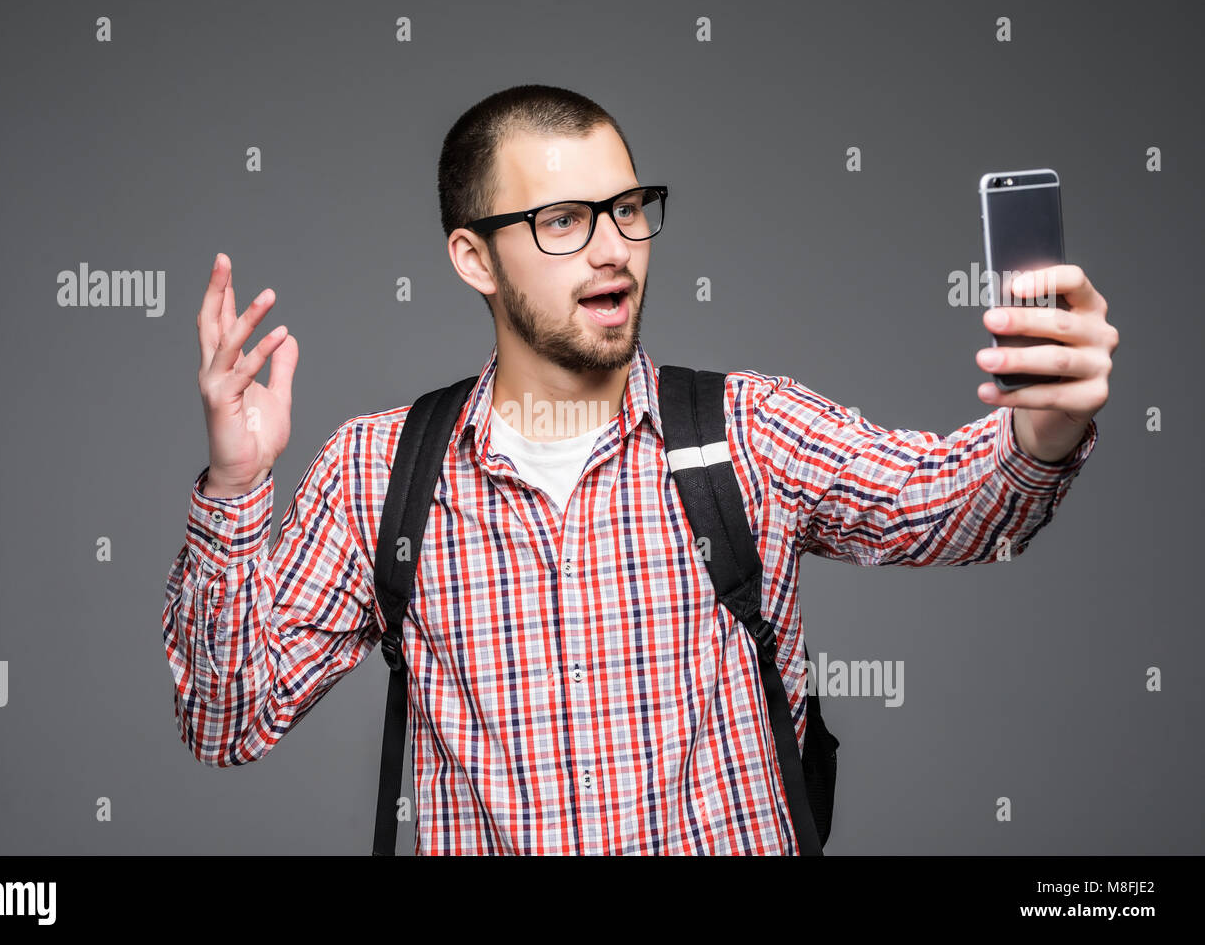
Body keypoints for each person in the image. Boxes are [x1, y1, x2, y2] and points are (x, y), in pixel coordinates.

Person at [162, 84, 1116, 855]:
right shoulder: (383, 470)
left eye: (627, 208)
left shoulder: (747, 432)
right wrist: (238, 488)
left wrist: (1044, 429)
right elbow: (226, 718)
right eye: (565, 220)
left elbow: (952, 506)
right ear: (472, 258)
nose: (615, 246)